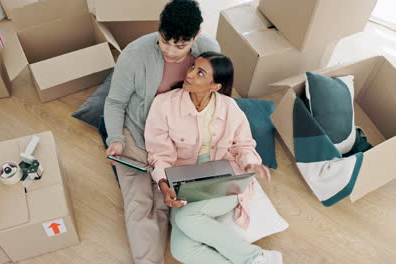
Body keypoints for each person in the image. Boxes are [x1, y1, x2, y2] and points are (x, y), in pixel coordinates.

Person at [103, 0, 220, 263]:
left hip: (178, 141)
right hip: (136, 135)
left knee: (166, 200)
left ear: (195, 36)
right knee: (139, 204)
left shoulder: (209, 52)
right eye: (165, 40)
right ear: (159, 29)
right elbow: (114, 102)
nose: (170, 50)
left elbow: (216, 97)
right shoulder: (134, 56)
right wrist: (116, 139)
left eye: (180, 45)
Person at [144, 52, 283, 264]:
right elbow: (159, 155)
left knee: (186, 217)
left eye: (200, 73)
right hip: (184, 181)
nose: (189, 74)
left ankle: (256, 259)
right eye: (192, 67)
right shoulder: (163, 105)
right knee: (181, 250)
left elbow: (243, 145)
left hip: (224, 177)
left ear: (215, 86)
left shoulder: (229, 108)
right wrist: (164, 185)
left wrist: (251, 163)